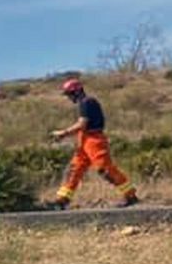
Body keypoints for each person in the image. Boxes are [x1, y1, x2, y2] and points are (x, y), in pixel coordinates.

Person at [49, 78, 139, 208]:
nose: (69, 98)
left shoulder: (87, 102)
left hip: (94, 140)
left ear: (76, 92)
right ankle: (62, 200)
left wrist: (63, 133)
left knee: (105, 169)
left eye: (69, 94)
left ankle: (130, 195)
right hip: (84, 139)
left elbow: (82, 124)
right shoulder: (84, 103)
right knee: (74, 169)